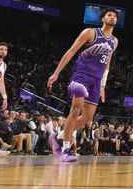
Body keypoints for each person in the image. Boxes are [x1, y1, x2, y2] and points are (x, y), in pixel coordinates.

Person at [47, 8, 119, 162]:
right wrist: (56, 73)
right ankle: (65, 149)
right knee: (76, 109)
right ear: (103, 19)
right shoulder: (90, 32)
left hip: (97, 80)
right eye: (109, 15)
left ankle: (58, 136)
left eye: (115, 16)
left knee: (87, 117)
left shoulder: (114, 41)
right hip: (82, 75)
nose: (112, 17)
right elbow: (71, 51)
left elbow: (107, 64)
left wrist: (103, 87)